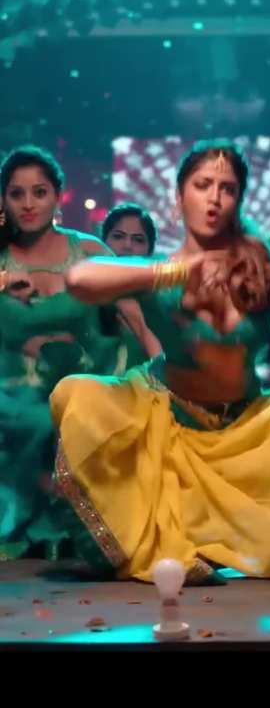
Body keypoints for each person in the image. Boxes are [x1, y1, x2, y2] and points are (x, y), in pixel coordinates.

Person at [50, 140, 270, 585]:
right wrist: (178, 273)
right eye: (202, 185)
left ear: (238, 201)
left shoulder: (266, 271)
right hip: (164, 427)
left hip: (247, 435)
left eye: (227, 189)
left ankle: (207, 538)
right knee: (77, 392)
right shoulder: (155, 273)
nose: (214, 198)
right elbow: (78, 278)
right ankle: (170, 540)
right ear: (179, 197)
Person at [0, 144, 124, 558]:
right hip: (12, 395)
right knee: (36, 419)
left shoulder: (90, 253)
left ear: (58, 195)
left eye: (39, 192)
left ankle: (85, 530)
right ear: (3, 200)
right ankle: (29, 523)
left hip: (83, 387)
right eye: (16, 194)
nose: (28, 204)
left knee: (82, 414)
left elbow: (134, 316)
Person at [100, 203, 162, 366]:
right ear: (102, 242)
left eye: (138, 240)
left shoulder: (161, 305)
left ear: (150, 250)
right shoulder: (83, 296)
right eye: (118, 236)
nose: (127, 246)